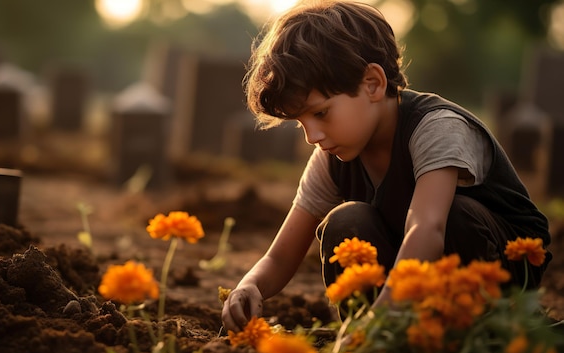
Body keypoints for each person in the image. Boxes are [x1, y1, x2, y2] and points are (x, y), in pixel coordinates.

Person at [221, 0, 552, 332]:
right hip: (410, 275)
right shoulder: (332, 154)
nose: (312, 136)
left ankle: (475, 328)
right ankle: (377, 335)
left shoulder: (436, 128)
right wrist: (251, 286)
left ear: (373, 84)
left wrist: (380, 319)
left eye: (320, 113)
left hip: (503, 267)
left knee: (454, 215)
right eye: (300, 122)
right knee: (346, 222)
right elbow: (280, 256)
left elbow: (428, 231)